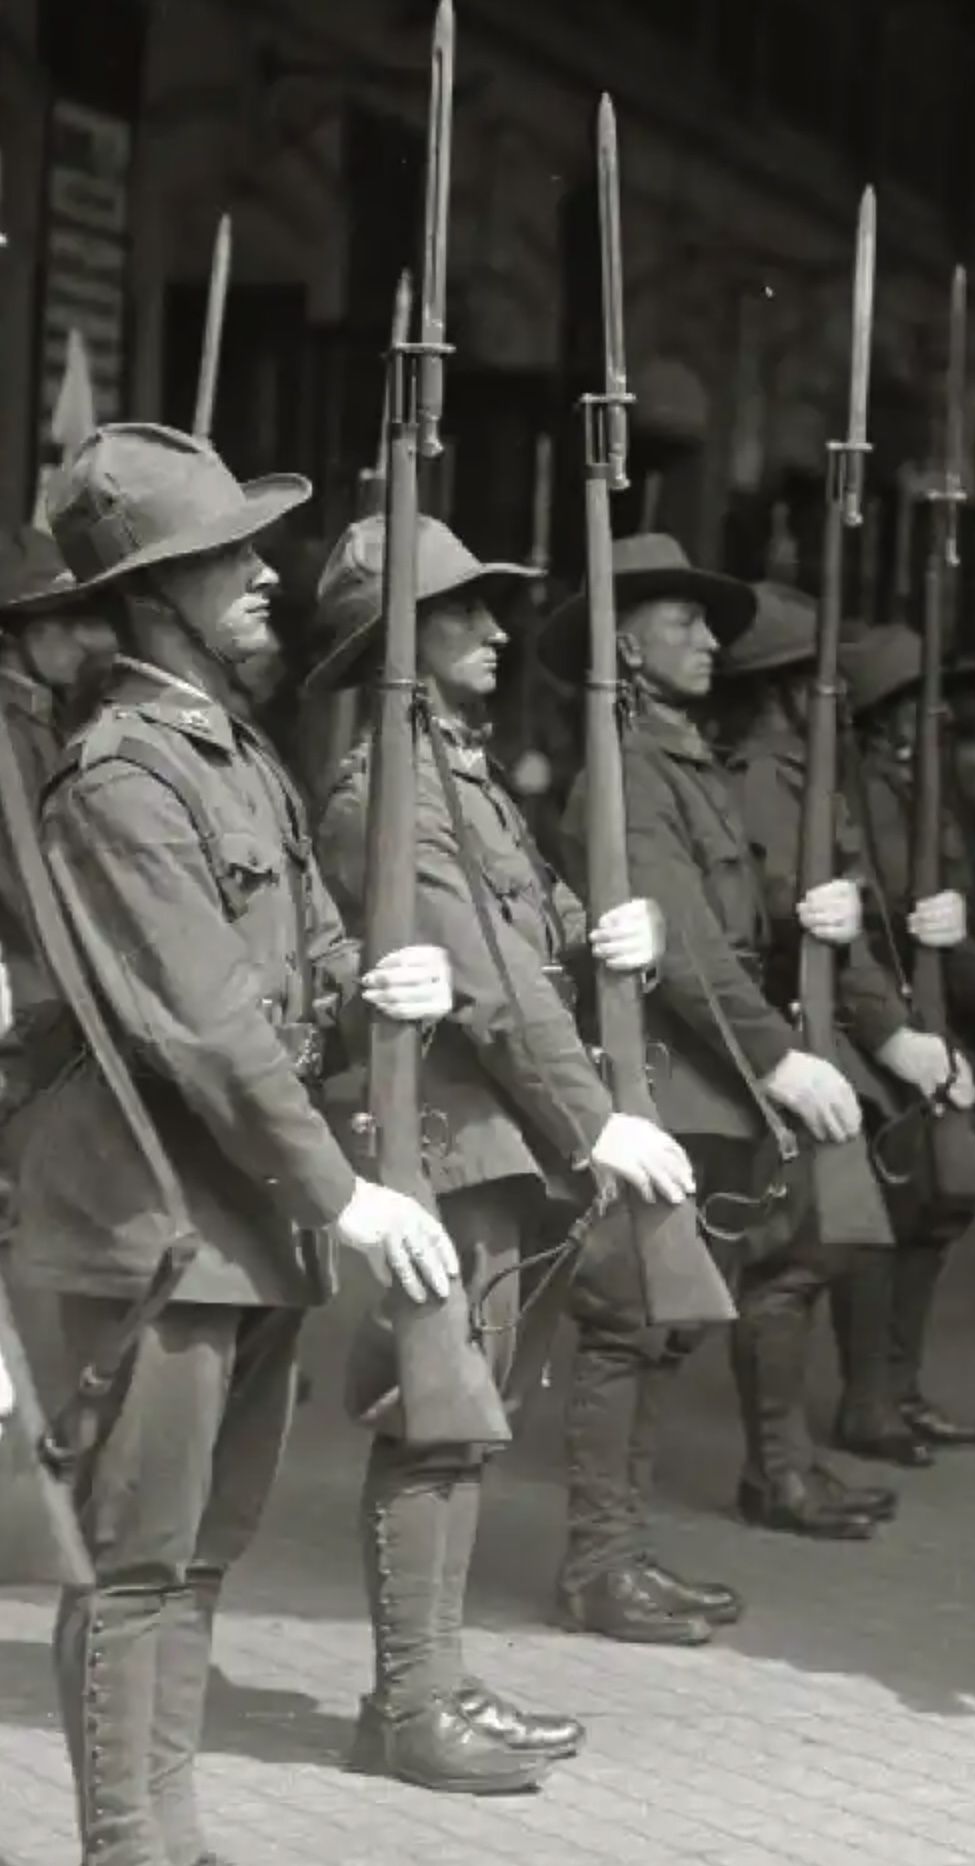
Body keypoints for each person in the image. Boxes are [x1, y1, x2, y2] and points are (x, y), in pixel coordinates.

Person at [11, 423, 462, 1866]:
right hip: (148, 1224)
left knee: (202, 1556)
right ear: (151, 595)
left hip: (241, 1227)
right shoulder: (121, 777)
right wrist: (343, 1190)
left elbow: (306, 958)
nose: (265, 573)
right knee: (136, 1569)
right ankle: (129, 1846)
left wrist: (381, 990)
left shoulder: (241, 759)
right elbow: (203, 1023)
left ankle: (177, 1835)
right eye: (225, 558)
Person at [305, 515, 702, 1790]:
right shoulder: (386, 791)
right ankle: (411, 1704)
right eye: (458, 612)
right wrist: (599, 1121)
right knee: (434, 1424)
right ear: (396, 646)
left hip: (494, 1148)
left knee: (464, 1426)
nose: (491, 630)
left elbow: (527, 925)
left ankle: (433, 1683)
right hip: (453, 1145)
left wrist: (606, 934)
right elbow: (484, 987)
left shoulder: (458, 774)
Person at [545, 537, 878, 1639]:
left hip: (704, 1083)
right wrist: (779, 1055)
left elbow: (733, 909)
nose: (706, 639)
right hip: (666, 1076)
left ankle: (620, 1553)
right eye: (681, 622)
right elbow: (681, 939)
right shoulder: (634, 762)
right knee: (628, 1326)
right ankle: (601, 1564)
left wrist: (811, 911)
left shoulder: (679, 756)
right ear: (625, 647)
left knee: (665, 1325)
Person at [708, 583, 945, 1524]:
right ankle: (777, 1471)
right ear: (786, 687)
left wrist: (892, 1030)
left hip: (816, 1032)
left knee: (814, 1249)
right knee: (791, 1257)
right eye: (824, 676)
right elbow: (771, 914)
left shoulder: (803, 772)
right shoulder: (768, 776)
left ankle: (791, 1460)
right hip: (777, 1040)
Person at [837, 623, 975, 1456]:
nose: (944, 716)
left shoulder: (921, 783)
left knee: (933, 1208)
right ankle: (869, 1400)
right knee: (888, 1210)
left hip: (936, 1006)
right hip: (879, 1017)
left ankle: (898, 1384)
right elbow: (877, 903)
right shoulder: (863, 787)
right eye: (924, 702)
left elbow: (945, 898)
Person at [0, 526, 99, 1165]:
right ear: (25, 635)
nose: (83, 638)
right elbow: (22, 871)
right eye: (66, 621)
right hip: (21, 985)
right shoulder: (9, 731)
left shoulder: (43, 717)